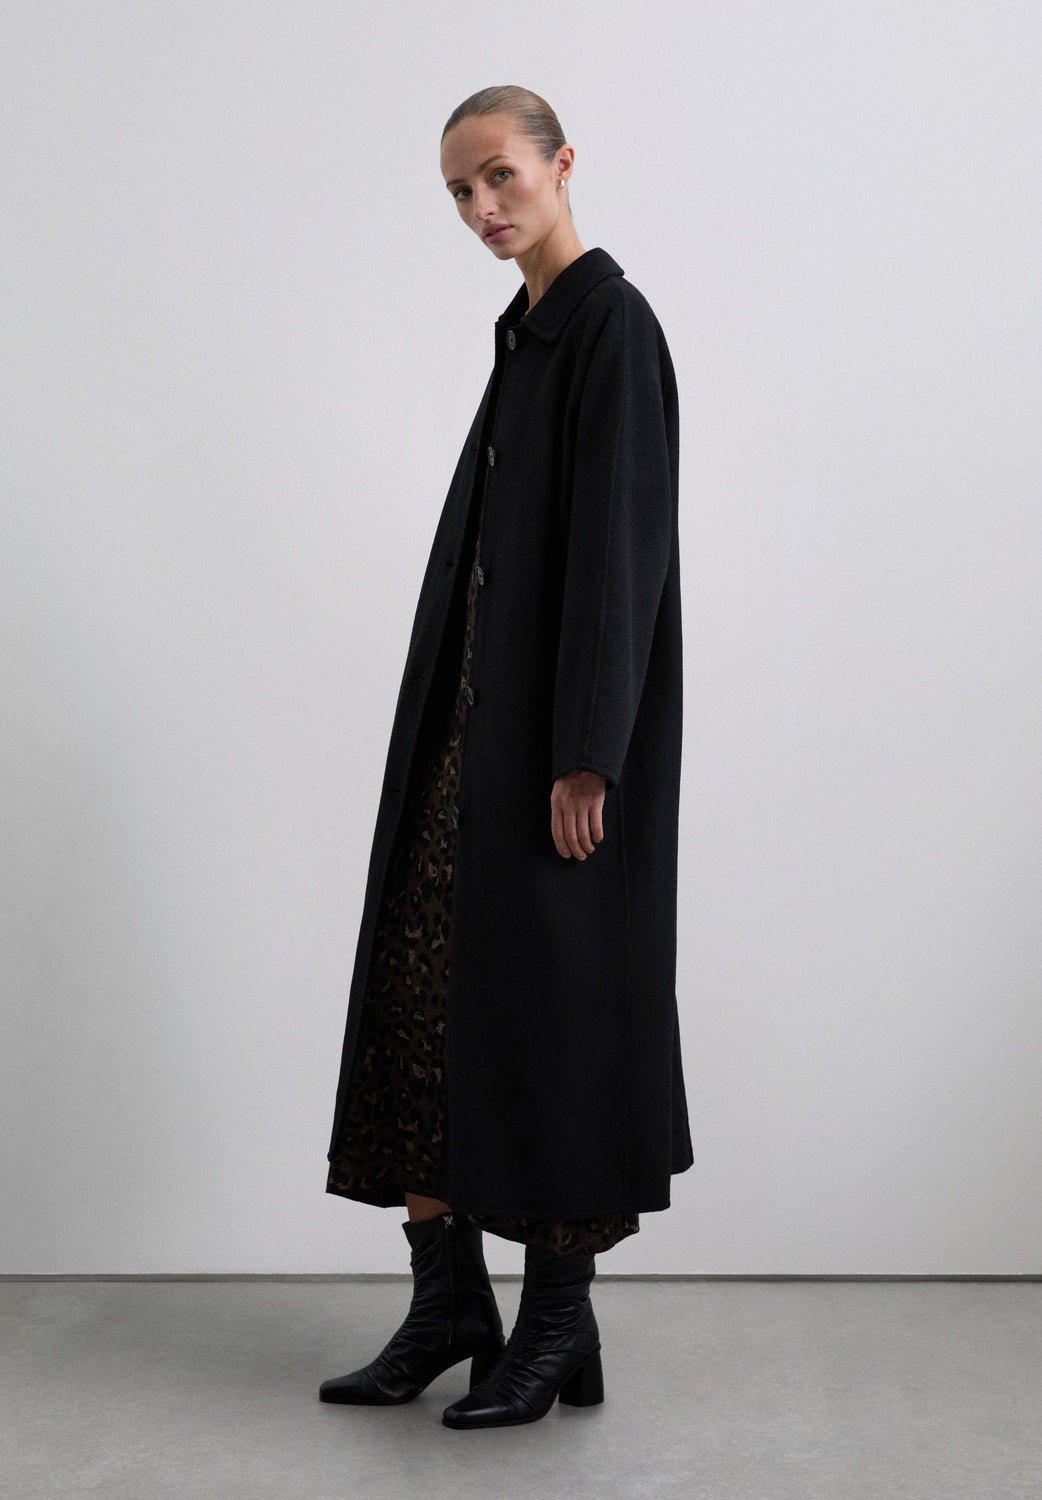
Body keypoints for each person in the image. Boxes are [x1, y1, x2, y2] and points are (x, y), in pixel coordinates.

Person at [320, 84, 692, 1431]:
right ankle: (449, 1309)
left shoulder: (609, 326)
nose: (481, 208)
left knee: (554, 1029)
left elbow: (621, 551)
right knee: (421, 1012)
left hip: (553, 760)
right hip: (470, 746)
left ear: (561, 163)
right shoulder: (527, 332)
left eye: (499, 177)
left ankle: (553, 1324)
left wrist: (588, 752)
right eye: (458, 193)